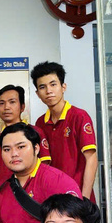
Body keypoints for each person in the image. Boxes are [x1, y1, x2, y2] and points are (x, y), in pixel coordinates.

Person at [31, 62, 97, 200]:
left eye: (53, 84)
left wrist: (84, 198)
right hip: (52, 196)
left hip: (77, 194)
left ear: (63, 87)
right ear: (37, 94)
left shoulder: (79, 116)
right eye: (42, 87)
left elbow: (91, 158)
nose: (48, 91)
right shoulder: (40, 123)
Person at [0, 84, 51, 193]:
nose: (6, 107)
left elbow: (45, 166)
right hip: (4, 197)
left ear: (22, 107)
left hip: (29, 195)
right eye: (1, 103)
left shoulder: (36, 132)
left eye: (12, 102)